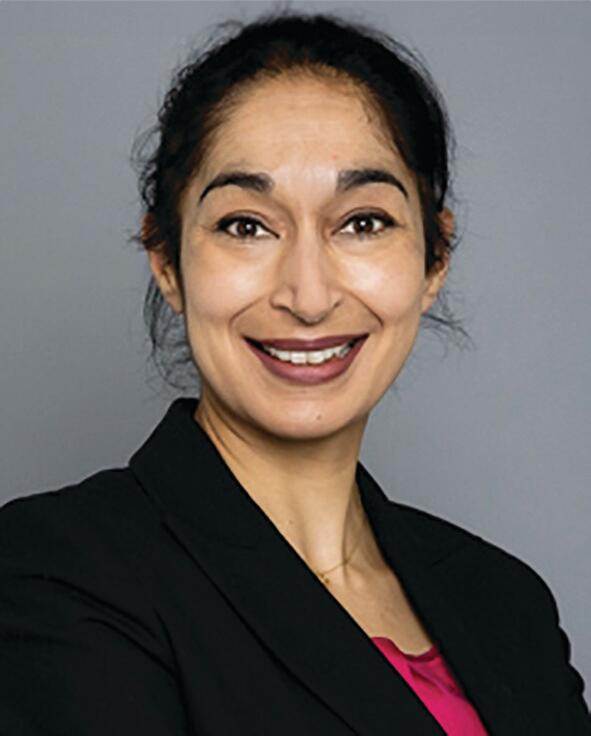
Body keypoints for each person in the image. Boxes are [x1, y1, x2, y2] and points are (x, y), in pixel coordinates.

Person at [0, 8, 589, 736]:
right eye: (246, 225)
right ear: (167, 262)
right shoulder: (58, 574)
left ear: (434, 259)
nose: (308, 296)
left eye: (362, 222)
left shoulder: (504, 602)